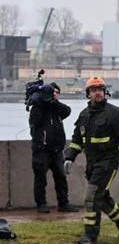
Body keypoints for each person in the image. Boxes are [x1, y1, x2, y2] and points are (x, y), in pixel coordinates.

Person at [63, 77, 119, 244]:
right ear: (88, 94)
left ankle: (90, 234)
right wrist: (69, 157)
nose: (98, 92)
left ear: (105, 92)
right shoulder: (84, 115)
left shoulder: (115, 112)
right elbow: (77, 139)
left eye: (100, 89)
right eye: (94, 90)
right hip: (92, 164)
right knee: (101, 198)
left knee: (92, 197)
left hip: (109, 163)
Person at [29, 82, 78, 213]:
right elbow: (35, 120)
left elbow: (67, 111)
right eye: (53, 92)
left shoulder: (57, 108)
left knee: (61, 178)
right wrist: (42, 103)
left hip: (57, 150)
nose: (55, 94)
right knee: (40, 179)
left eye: (57, 92)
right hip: (41, 149)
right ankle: (41, 204)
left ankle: (63, 204)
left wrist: (53, 102)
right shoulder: (37, 106)